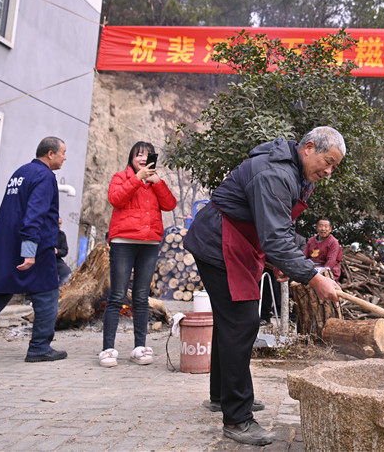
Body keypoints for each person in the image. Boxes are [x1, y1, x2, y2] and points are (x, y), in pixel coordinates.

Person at [183, 126, 344, 446]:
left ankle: (221, 395)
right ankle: (238, 418)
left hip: (239, 244)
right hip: (220, 245)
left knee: (231, 323)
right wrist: (312, 277)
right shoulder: (276, 174)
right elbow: (274, 238)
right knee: (241, 324)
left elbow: (278, 229)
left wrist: (287, 263)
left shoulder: (298, 175)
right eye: (327, 161)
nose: (328, 171)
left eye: (334, 167)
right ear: (308, 147)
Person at [0, 137, 69, 371]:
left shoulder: (21, 172)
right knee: (47, 294)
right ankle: (39, 348)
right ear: (50, 154)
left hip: (7, 246)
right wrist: (29, 251)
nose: (64, 158)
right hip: (33, 248)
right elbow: (35, 214)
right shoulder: (45, 176)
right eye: (63, 153)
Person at [99, 142, 177, 368]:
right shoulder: (120, 177)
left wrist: (158, 182)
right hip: (123, 241)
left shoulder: (155, 182)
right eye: (138, 155)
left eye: (147, 155)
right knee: (117, 295)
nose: (143, 159)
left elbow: (170, 204)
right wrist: (137, 179)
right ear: (131, 158)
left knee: (142, 297)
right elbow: (116, 199)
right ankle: (107, 349)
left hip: (150, 243)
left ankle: (139, 348)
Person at [56, 218, 72, 286]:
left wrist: (57, 251)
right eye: (58, 223)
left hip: (56, 260)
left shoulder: (62, 235)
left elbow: (65, 251)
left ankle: (59, 291)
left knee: (67, 272)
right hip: (43, 260)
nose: (59, 225)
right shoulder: (45, 233)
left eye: (60, 223)